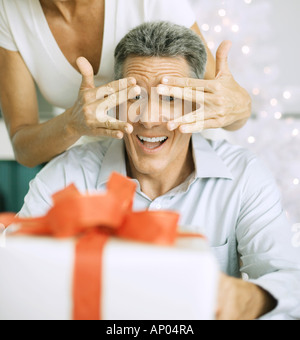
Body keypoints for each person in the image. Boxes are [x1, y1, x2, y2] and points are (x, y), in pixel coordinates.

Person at [19, 21, 300, 321]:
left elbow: (289, 283)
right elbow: (17, 276)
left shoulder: (244, 176)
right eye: (134, 96)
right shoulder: (67, 176)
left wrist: (248, 300)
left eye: (170, 97)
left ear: (197, 104)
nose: (149, 118)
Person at [0, 0, 251, 169]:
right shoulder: (8, 5)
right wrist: (72, 123)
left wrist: (242, 105)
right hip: (100, 171)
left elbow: (230, 111)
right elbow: (25, 149)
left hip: (186, 167)